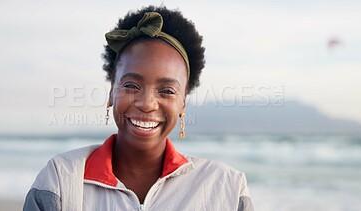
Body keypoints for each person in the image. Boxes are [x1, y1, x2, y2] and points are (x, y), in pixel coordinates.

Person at [23, 5, 254, 211]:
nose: (147, 104)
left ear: (183, 102)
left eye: (167, 91)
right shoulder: (60, 182)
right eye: (131, 86)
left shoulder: (228, 189)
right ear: (112, 92)